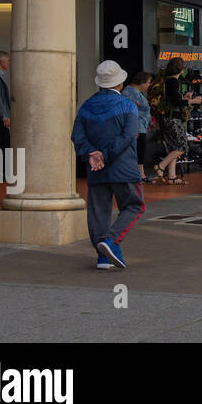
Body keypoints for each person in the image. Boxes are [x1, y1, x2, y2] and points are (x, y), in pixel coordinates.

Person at [70, 60, 144, 270]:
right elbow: (129, 136)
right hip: (123, 168)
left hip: (95, 169)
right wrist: (106, 155)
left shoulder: (86, 105)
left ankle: (103, 257)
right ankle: (111, 241)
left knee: (98, 212)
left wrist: (92, 154)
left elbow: (77, 135)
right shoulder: (128, 105)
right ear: (119, 84)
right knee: (134, 206)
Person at [152, 57, 197, 184]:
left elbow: (173, 99)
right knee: (182, 146)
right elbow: (176, 102)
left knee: (173, 146)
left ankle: (172, 176)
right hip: (172, 118)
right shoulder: (173, 82)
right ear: (180, 69)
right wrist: (192, 101)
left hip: (165, 117)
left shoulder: (166, 81)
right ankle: (161, 166)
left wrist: (184, 97)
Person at [122, 71, 155, 183]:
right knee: (139, 152)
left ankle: (140, 174)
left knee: (139, 152)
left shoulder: (132, 91)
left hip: (140, 126)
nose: (149, 85)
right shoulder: (132, 93)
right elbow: (132, 111)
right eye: (149, 82)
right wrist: (134, 128)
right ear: (142, 82)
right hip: (137, 128)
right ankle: (139, 175)